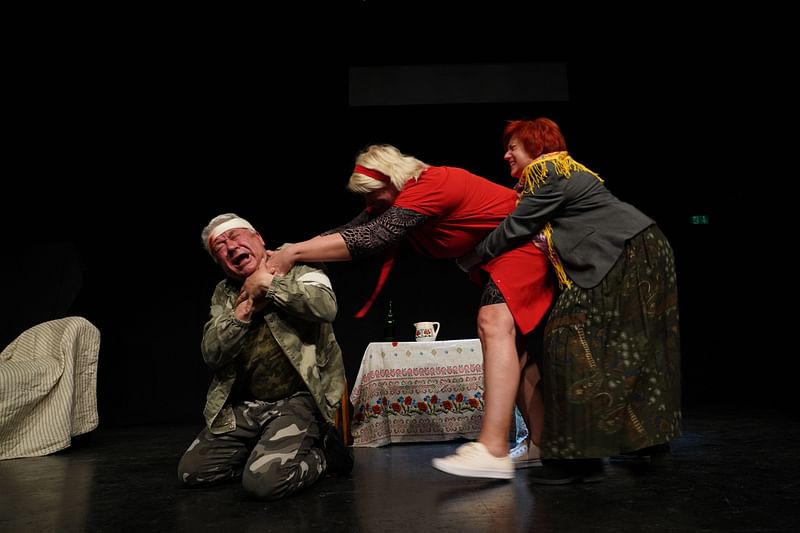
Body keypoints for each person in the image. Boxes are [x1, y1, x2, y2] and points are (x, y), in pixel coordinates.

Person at [266, 144, 556, 480]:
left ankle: (492, 448)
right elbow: (348, 231)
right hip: (500, 257)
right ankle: (541, 442)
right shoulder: (398, 198)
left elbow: (371, 237)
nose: (369, 204)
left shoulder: (433, 184)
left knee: (493, 325)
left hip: (524, 246)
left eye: (373, 194)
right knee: (515, 352)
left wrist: (293, 253)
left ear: (394, 177)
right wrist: (289, 253)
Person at [458, 118, 682, 484]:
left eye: (513, 147)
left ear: (536, 145)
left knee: (566, 345)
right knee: (632, 349)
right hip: (640, 249)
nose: (506, 154)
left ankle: (578, 459)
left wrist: (473, 256)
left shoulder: (548, 170)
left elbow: (517, 226)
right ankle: (649, 444)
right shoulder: (562, 174)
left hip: (625, 253)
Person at [177, 213, 353, 500]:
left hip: (299, 399)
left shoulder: (300, 265)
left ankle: (324, 457)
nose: (231, 247)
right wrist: (245, 310)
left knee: (264, 484)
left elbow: (325, 307)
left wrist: (267, 286)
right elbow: (211, 352)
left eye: (235, 236)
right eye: (220, 246)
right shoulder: (223, 293)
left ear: (257, 238)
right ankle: (263, 455)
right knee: (193, 472)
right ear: (219, 262)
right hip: (248, 405)